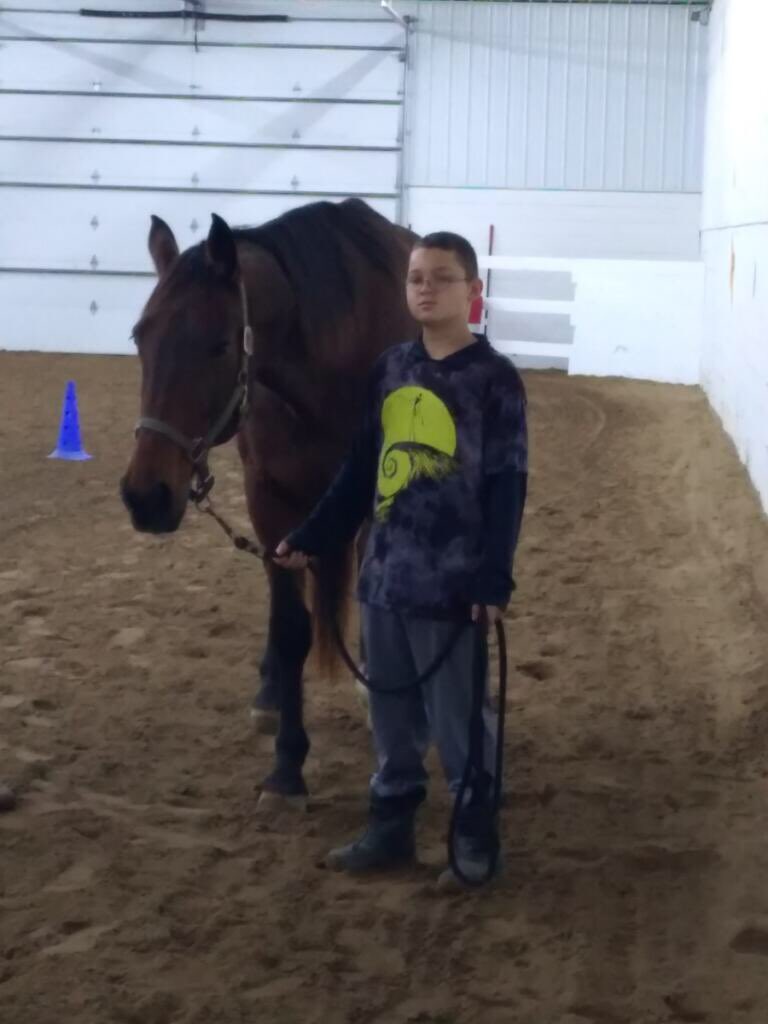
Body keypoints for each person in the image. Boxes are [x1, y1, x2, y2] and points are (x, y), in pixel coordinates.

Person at [274, 231, 528, 888]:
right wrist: (314, 535)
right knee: (392, 718)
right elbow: (361, 470)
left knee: (460, 722)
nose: (425, 287)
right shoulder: (390, 368)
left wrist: (494, 574)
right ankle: (390, 826)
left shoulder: (494, 380)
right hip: (384, 577)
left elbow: (507, 482)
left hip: (455, 587)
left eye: (442, 277)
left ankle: (475, 840)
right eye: (416, 276)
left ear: (471, 292)